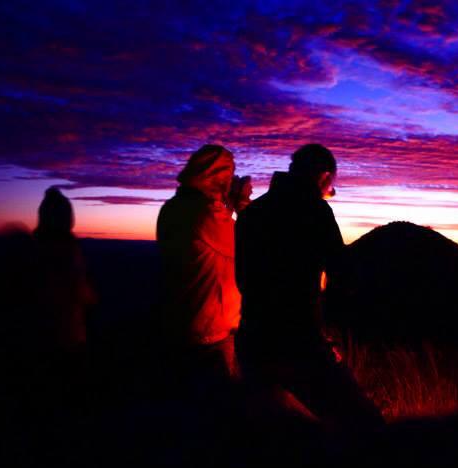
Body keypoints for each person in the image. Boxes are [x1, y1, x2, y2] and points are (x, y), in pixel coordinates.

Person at [235, 144, 384, 430]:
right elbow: (342, 272)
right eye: (332, 182)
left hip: (253, 337)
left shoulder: (255, 212)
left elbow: (242, 275)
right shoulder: (314, 210)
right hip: (297, 340)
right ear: (324, 176)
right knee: (363, 422)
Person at [156, 144, 251, 385]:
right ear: (217, 176)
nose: (231, 181)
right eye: (228, 174)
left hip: (181, 320)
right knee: (221, 407)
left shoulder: (173, 207)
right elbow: (250, 241)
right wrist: (241, 203)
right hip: (209, 332)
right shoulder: (207, 214)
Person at [31, 187, 96, 353]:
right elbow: (78, 287)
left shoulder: (34, 245)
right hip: (67, 330)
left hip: (40, 329)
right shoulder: (67, 248)